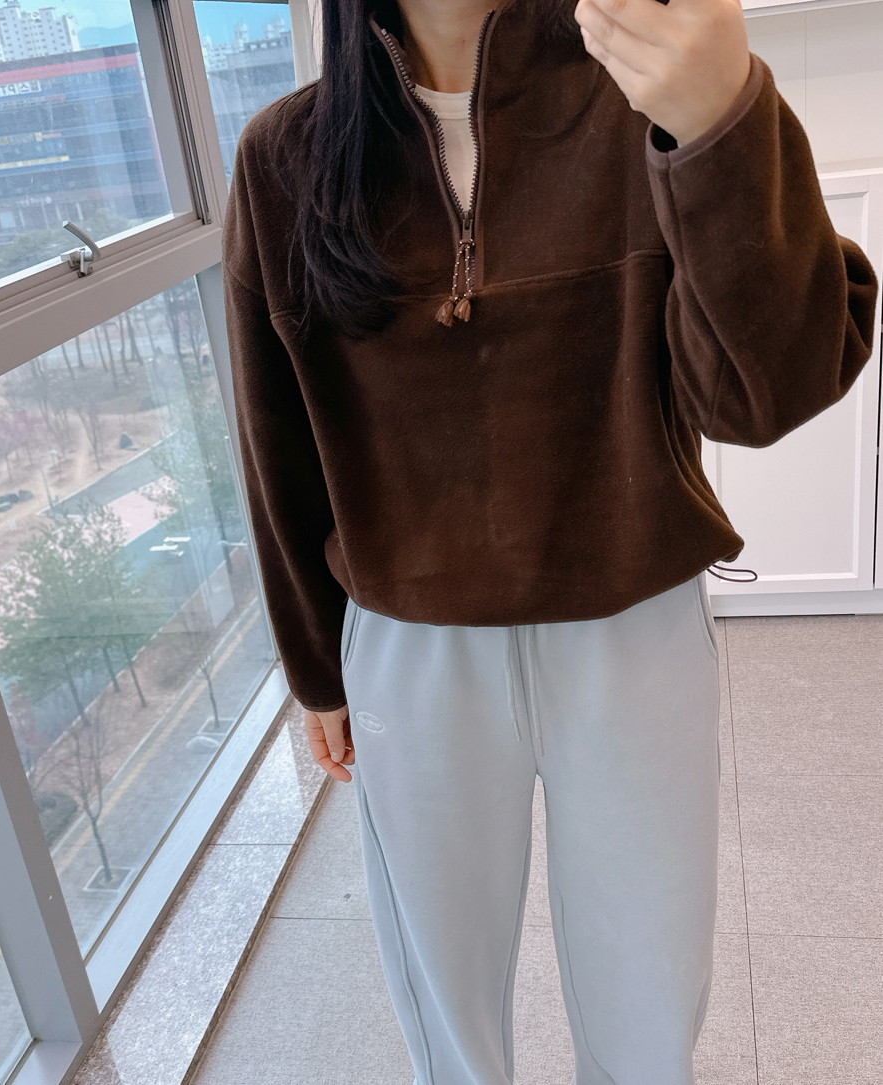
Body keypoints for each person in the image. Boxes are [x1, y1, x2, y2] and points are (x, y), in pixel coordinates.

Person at [221, 0, 879, 1079]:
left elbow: (771, 393)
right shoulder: (284, 157)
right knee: (445, 999)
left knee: (649, 995)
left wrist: (720, 122)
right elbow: (275, 438)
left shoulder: (648, 89)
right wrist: (314, 666)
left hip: (632, 626)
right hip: (412, 646)